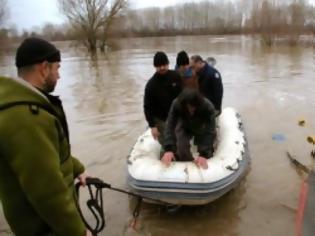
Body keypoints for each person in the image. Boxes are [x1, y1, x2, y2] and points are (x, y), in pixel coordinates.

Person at [0, 37, 91, 236]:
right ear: (44, 68)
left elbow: (49, 153)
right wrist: (78, 232)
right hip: (45, 228)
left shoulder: (26, 104)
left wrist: (77, 169)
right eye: (57, 68)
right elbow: (47, 191)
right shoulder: (25, 117)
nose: (58, 76)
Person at [161, 89, 216, 169]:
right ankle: (186, 163)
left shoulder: (208, 107)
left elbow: (209, 130)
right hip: (184, 124)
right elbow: (170, 125)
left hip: (201, 125)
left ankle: (206, 158)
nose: (191, 109)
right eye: (188, 106)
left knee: (206, 148)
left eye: (193, 106)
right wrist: (169, 148)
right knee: (181, 146)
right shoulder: (176, 104)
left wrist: (204, 154)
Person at [144, 51, 182, 145]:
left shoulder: (176, 76)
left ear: (168, 64)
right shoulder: (151, 85)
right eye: (159, 66)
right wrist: (152, 126)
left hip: (177, 116)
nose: (162, 68)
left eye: (164, 65)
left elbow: (183, 96)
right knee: (168, 146)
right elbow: (147, 107)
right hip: (161, 119)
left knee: (180, 143)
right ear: (155, 66)